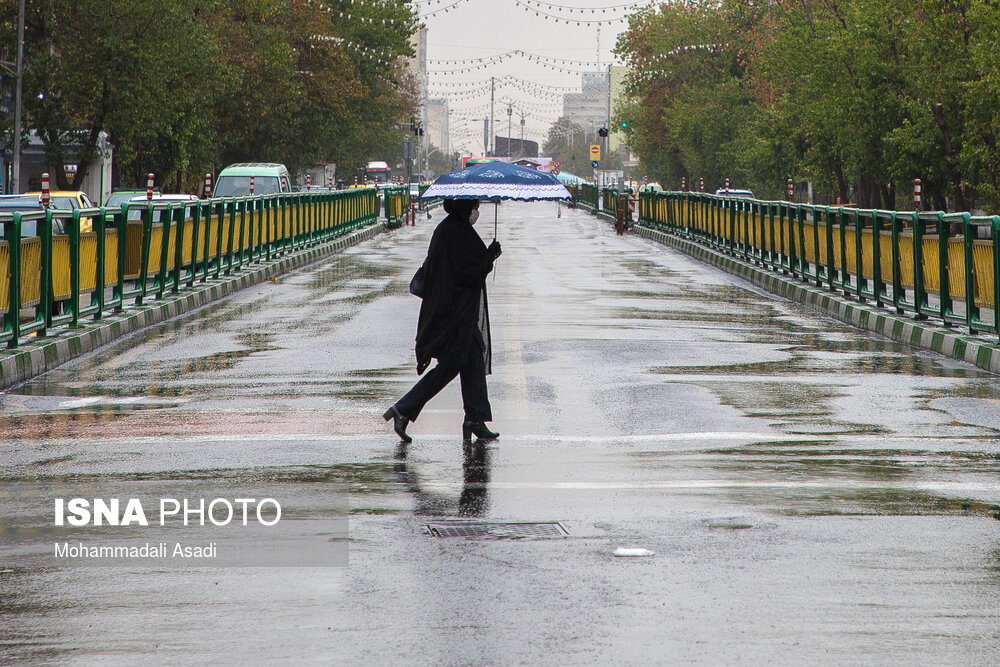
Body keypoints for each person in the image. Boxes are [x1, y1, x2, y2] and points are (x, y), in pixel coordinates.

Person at [384, 198, 502, 443]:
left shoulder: (453, 228)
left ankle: (475, 418)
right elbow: (464, 275)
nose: (476, 211)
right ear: (464, 207)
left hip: (457, 314)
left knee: (473, 359)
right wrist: (488, 257)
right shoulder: (454, 232)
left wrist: (486, 259)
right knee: (450, 368)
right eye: (474, 207)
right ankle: (403, 409)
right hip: (452, 316)